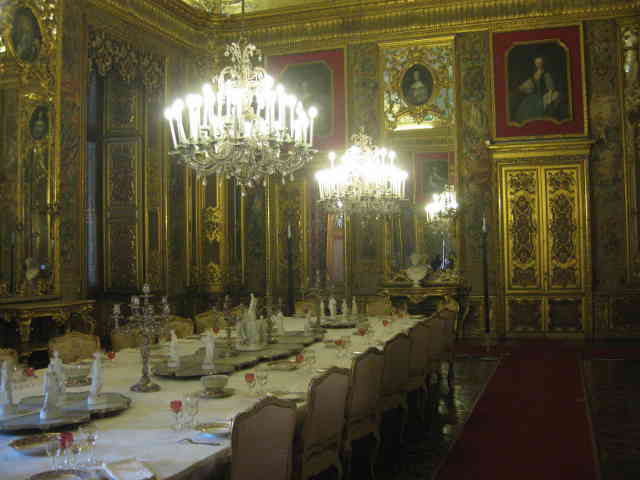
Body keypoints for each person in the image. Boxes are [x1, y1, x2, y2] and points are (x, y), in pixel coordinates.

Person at [513, 56, 564, 124]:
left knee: (540, 109)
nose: (539, 64)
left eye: (540, 63)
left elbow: (550, 88)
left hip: (543, 95)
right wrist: (523, 87)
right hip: (534, 96)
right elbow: (529, 84)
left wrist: (548, 99)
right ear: (535, 64)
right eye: (537, 63)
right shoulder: (535, 74)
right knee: (525, 109)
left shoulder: (546, 74)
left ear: (543, 63)